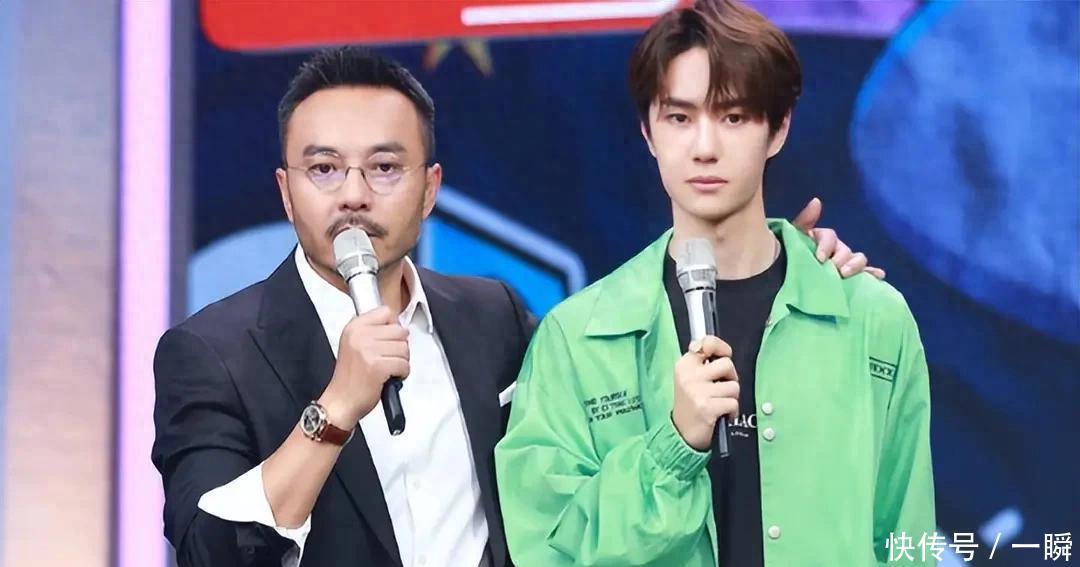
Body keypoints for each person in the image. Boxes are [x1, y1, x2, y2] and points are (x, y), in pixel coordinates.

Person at [152, 46, 883, 567]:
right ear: (286, 192)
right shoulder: (211, 352)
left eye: (384, 167)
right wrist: (335, 408)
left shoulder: (492, 317)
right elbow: (209, 549)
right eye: (323, 168)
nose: (353, 194)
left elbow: (616, 374)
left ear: (430, 189)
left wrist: (773, 267)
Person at [494, 2, 936, 566]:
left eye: (733, 117)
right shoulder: (576, 338)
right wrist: (675, 444)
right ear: (648, 132)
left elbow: (905, 539)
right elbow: (547, 548)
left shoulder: (872, 319)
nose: (704, 147)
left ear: (778, 129)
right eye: (680, 118)